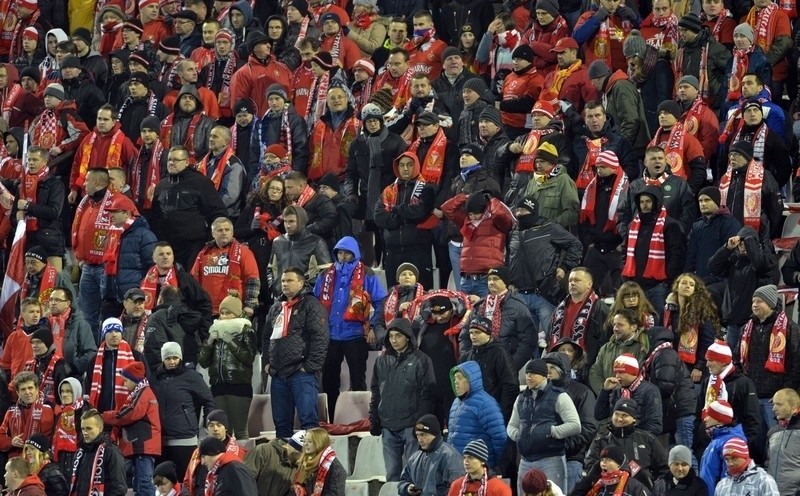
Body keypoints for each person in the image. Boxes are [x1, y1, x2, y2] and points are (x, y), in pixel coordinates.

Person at [314, 236, 386, 416]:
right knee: (329, 381)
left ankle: (360, 419)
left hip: (356, 335)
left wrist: (372, 327)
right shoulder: (325, 275)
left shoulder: (368, 274)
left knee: (358, 381)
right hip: (329, 335)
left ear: (355, 254)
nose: (343, 256)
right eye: (340, 252)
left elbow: (380, 302)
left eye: (347, 253)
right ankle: (332, 419)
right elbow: (315, 302)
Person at [264, 268, 329, 438]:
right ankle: (283, 463)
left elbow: (320, 338)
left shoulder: (311, 304)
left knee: (309, 423)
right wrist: (267, 364)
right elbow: (265, 338)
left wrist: (309, 367)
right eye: (283, 281)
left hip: (302, 374)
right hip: (278, 375)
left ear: (301, 283)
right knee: (281, 425)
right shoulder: (276, 307)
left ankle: (312, 463)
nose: (285, 284)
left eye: (289, 281)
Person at [369, 317, 436, 481]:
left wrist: (419, 423)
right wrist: (374, 419)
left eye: (398, 336)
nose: (394, 340)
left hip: (411, 426)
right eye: (390, 336)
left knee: (414, 475)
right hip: (387, 426)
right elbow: (376, 392)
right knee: (392, 475)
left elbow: (428, 394)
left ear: (407, 336)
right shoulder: (381, 361)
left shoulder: (422, 360)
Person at [734, 284, 800, 433]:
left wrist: (785, 391)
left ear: (770, 303)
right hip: (751, 398)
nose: (755, 305)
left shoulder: (789, 328)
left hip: (775, 400)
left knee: (777, 438)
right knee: (754, 441)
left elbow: (797, 362)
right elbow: (737, 359)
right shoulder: (746, 329)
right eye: (753, 301)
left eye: (759, 301)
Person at [149, 146, 228, 269]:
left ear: (186, 162)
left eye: (176, 160)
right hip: (169, 246)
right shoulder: (161, 186)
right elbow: (155, 216)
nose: (171, 163)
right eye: (169, 160)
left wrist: (209, 240)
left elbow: (217, 212)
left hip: (195, 245)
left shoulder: (201, 183)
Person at [508, 359, 580, 493]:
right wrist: (519, 435)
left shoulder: (560, 396)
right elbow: (511, 426)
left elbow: (575, 425)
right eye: (527, 373)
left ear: (544, 375)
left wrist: (551, 431)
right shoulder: (521, 398)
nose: (528, 376)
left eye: (533, 373)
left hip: (551, 459)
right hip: (525, 460)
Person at [512, 195, 582, 330]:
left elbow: (575, 245)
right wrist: (510, 281)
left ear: (533, 211)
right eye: (518, 210)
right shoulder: (513, 233)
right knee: (526, 343)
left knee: (553, 337)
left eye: (524, 210)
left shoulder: (549, 228)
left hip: (544, 294)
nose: (520, 213)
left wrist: (564, 267)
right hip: (520, 296)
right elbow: (510, 259)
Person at [150, 342, 215, 482]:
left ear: (180, 358)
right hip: (160, 441)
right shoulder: (155, 378)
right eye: (168, 358)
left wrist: (209, 424)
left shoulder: (191, 376)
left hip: (184, 440)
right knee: (163, 485)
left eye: (175, 357)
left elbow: (208, 400)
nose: (172, 361)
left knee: (186, 483)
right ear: (163, 359)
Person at [197, 293, 256, 440]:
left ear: (236, 314)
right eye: (222, 313)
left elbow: (248, 358)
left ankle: (242, 462)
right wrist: (210, 341)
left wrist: (230, 340)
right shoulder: (214, 331)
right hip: (218, 387)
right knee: (222, 434)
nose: (223, 316)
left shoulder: (246, 330)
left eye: (228, 313)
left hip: (239, 387)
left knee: (241, 432)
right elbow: (203, 362)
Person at [581, 399, 669, 491]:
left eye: (624, 415)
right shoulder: (601, 440)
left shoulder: (648, 438)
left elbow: (663, 468)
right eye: (616, 414)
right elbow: (590, 468)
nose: (619, 419)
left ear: (634, 418)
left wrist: (654, 487)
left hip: (641, 491)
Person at [101, 362, 161, 496]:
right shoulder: (138, 393)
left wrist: (104, 416)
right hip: (139, 444)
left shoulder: (144, 392)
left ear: (135, 380)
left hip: (143, 444)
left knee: (144, 482)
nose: (124, 384)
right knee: (138, 482)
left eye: (126, 380)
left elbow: (131, 413)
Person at [543, 352, 597, 494]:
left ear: (563, 369)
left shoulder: (582, 392)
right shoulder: (538, 393)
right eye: (545, 367)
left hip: (570, 460)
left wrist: (564, 445)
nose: (547, 371)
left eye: (552, 367)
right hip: (542, 460)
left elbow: (589, 427)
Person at [447, 361, 508, 469]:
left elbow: (500, 438)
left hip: (478, 468)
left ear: (471, 379)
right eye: (455, 378)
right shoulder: (456, 403)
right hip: (457, 467)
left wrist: (491, 464)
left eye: (460, 378)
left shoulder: (486, 403)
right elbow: (451, 435)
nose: (456, 382)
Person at [86, 317, 147, 414]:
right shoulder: (94, 359)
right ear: (104, 334)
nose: (114, 335)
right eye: (110, 331)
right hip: (102, 413)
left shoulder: (136, 357)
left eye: (117, 331)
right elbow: (88, 386)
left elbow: (145, 386)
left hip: (128, 413)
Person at [596, 354, 663, 435]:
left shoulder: (650, 390)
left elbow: (655, 425)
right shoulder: (616, 390)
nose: (617, 376)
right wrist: (605, 391)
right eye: (616, 372)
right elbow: (599, 415)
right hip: (617, 439)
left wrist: (634, 440)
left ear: (633, 373)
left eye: (621, 372)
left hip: (640, 441)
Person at [183, 410, 247, 496]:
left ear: (226, 428)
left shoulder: (239, 451)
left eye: (219, 425)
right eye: (211, 425)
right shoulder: (198, 452)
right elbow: (187, 482)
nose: (215, 429)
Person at [588, 308, 650, 395]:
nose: (615, 329)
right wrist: (604, 390)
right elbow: (595, 372)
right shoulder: (606, 348)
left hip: (631, 400)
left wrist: (620, 393)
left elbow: (639, 375)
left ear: (633, 327)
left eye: (620, 325)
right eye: (614, 325)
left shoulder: (642, 348)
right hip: (606, 400)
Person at [68, 409, 128, 496]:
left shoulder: (111, 452)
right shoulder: (80, 453)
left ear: (100, 428)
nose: (85, 432)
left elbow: (119, 488)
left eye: (89, 428)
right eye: (83, 429)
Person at [399, 415, 463, 496]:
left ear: (434, 434)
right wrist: (407, 488)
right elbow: (402, 482)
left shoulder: (450, 456)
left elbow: (457, 489)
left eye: (423, 435)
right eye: (418, 435)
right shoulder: (414, 458)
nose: (420, 439)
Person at [0, 372, 55, 458]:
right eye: (23, 389)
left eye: (30, 388)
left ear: (37, 389)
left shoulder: (48, 409)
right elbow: (1, 437)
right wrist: (11, 442)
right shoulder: (11, 412)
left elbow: (49, 439)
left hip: (38, 459)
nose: (27, 392)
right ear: (17, 393)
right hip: (15, 461)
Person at [46, 287, 97, 376]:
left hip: (71, 376)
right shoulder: (45, 323)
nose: (53, 303)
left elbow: (91, 353)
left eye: (57, 300)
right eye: (51, 300)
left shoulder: (80, 324)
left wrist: (72, 367)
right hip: (47, 374)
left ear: (67, 303)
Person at [699, 399, 746, 491]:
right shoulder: (717, 439)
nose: (705, 419)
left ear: (719, 418)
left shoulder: (730, 441)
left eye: (709, 415)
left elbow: (729, 477)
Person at [243, 431, 302, 496]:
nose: (306, 459)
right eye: (305, 455)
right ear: (296, 452)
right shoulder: (263, 451)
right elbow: (245, 480)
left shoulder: (299, 468)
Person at [713, 438, 779, 495]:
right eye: (727, 459)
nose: (730, 463)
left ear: (744, 456)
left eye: (734, 458)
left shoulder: (763, 480)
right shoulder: (722, 485)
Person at [447, 439, 511, 496]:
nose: (466, 462)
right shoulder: (456, 485)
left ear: (482, 461)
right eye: (464, 458)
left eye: (471, 458)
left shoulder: (499, 488)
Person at [293, 428, 346, 494]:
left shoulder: (334, 466)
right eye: (304, 441)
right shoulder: (304, 463)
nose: (305, 444)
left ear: (319, 443)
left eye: (309, 441)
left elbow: (335, 493)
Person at [767, 388, 800, 496]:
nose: (773, 408)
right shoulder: (772, 432)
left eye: (779, 404)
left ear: (794, 408)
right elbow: (766, 462)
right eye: (774, 404)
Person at [23, 327, 68, 406]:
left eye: (39, 342)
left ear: (47, 343)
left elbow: (62, 393)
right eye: (32, 342)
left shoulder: (58, 364)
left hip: (52, 411)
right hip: (30, 411)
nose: (34, 346)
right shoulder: (28, 364)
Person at [52, 378, 86, 478]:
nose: (64, 395)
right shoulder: (60, 413)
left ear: (76, 391)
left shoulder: (85, 411)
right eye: (62, 391)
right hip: (61, 460)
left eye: (69, 391)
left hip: (79, 459)